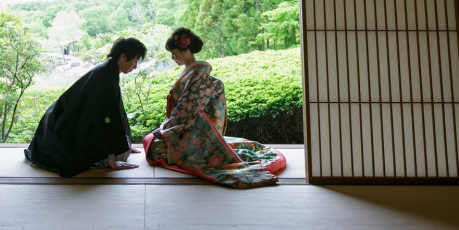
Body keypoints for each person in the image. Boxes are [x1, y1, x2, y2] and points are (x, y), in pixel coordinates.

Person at [143, 28, 286, 188]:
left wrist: (167, 129)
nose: (172, 58)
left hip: (196, 128)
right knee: (152, 142)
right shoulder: (193, 70)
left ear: (185, 50)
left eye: (174, 53)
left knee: (154, 146)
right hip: (187, 122)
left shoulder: (198, 73)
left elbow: (189, 108)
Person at [24, 37, 146, 177]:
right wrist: (113, 161)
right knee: (120, 156)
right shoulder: (105, 75)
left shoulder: (108, 70)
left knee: (123, 151)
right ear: (123, 57)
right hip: (64, 129)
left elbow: (117, 110)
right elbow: (106, 118)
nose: (135, 67)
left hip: (63, 121)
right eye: (135, 61)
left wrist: (122, 145)